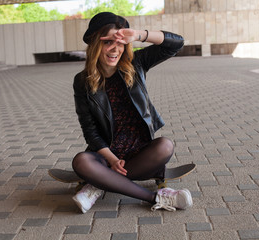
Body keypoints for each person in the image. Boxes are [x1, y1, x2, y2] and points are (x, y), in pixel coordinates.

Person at [71, 12, 192, 213]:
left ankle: (98, 184)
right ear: (94, 45)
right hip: (106, 154)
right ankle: (156, 197)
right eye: (107, 41)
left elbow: (176, 43)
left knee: (165, 146)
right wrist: (111, 159)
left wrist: (138, 35)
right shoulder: (82, 81)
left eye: (120, 43)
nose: (114, 49)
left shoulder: (136, 64)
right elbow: (90, 130)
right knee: (81, 161)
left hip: (139, 153)